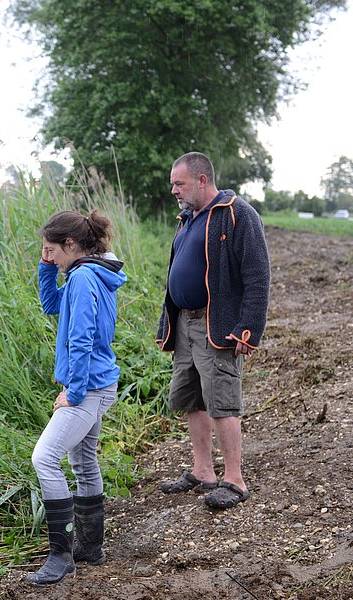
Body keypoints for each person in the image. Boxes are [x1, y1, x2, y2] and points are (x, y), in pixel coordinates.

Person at [155, 151, 270, 509]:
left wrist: (248, 328)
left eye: (179, 183)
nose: (174, 189)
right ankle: (203, 471)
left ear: (202, 180)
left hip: (215, 323)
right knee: (192, 399)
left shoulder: (238, 214)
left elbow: (257, 275)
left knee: (222, 401)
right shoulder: (188, 218)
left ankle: (234, 480)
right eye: (173, 183)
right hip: (185, 323)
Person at [26, 210, 127, 586]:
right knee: (83, 464)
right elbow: (52, 305)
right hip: (97, 383)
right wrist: (45, 266)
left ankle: (61, 556)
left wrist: (74, 391)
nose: (49, 255)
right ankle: (90, 548)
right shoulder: (88, 273)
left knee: (45, 458)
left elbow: (82, 339)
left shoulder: (84, 278)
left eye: (52, 250)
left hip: (90, 388)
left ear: (71, 244)